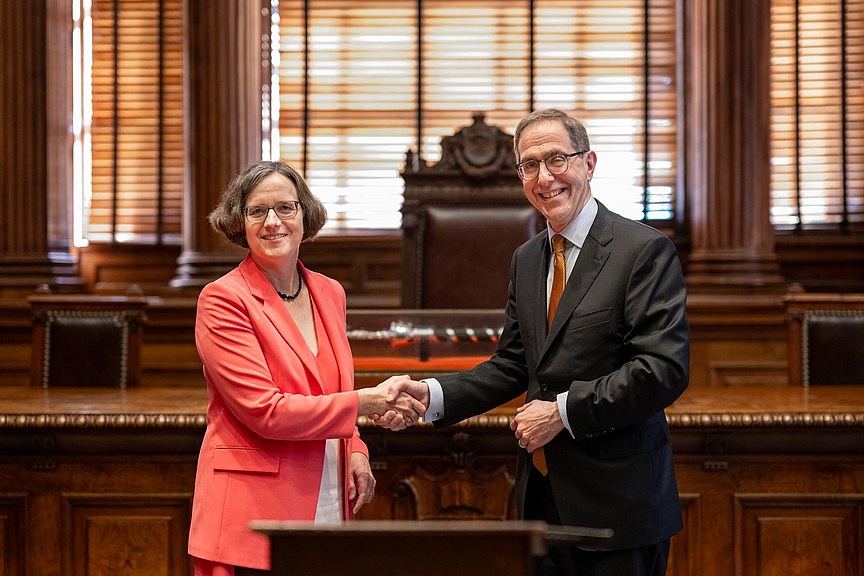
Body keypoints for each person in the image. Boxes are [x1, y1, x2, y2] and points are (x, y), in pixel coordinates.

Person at [379, 109, 690, 576]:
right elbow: (513, 364)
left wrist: (563, 412)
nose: (544, 178)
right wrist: (433, 395)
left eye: (557, 160)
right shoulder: (527, 259)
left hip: (618, 509)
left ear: (589, 163)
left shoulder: (642, 251)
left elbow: (662, 370)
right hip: (540, 502)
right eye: (529, 165)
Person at [188, 160, 423, 576]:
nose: (272, 222)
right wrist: (367, 402)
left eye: (285, 208)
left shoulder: (328, 292)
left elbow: (334, 390)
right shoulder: (222, 300)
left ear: (304, 215)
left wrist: (356, 448)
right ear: (239, 223)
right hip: (253, 512)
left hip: (330, 494)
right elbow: (266, 411)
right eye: (257, 211)